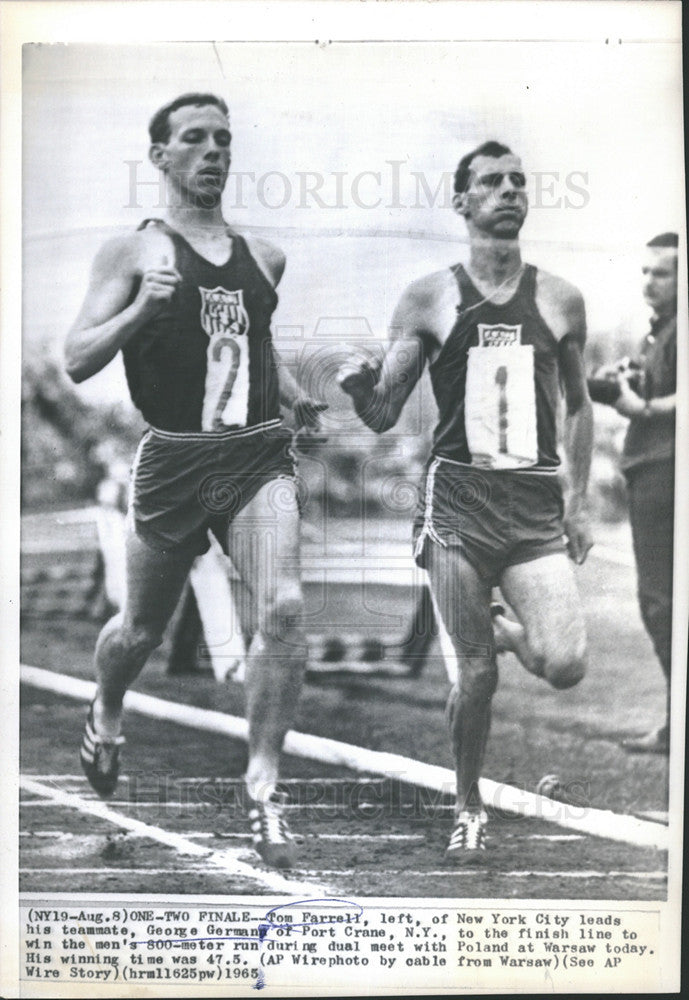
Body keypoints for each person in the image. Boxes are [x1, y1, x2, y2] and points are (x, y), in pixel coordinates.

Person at [65, 93, 325, 868]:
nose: (214, 150)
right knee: (138, 631)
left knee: (282, 606)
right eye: (195, 139)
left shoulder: (264, 257)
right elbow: (78, 358)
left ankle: (263, 791)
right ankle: (107, 709)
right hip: (175, 458)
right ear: (161, 157)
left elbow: (255, 353)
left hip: (252, 456)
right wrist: (142, 310)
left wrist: (296, 401)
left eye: (223, 139)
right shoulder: (132, 254)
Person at [339, 140, 593, 861]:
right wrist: (362, 387)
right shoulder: (429, 296)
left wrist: (576, 500)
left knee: (566, 664)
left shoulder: (559, 297)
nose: (508, 190)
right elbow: (385, 413)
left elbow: (580, 406)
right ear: (461, 202)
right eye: (491, 182)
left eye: (518, 180)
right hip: (456, 506)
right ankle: (466, 803)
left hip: (533, 509)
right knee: (474, 675)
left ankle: (506, 631)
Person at [606, 233, 677, 755]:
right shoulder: (661, 332)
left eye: (663, 273)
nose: (650, 281)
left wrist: (644, 409)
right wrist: (622, 384)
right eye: (646, 271)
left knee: (661, 602)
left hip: (666, 471)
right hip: (653, 470)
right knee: (663, 603)